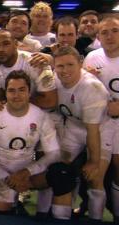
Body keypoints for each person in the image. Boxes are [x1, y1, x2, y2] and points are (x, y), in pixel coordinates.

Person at [0, 70, 71, 219]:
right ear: (5, 93)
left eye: (22, 90)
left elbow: (54, 153)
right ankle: (10, 202)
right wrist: (7, 178)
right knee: (2, 217)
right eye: (11, 91)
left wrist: (27, 172)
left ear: (29, 93)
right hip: (2, 173)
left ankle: (55, 218)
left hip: (29, 174)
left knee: (63, 174)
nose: (17, 95)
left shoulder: (41, 116)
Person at [55, 46, 110, 221]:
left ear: (80, 63)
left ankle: (95, 219)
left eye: (70, 64)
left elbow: (92, 131)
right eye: (60, 66)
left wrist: (94, 161)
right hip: (73, 125)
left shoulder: (91, 87)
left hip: (101, 129)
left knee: (94, 177)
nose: (65, 70)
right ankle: (61, 216)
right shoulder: (53, 79)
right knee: (61, 170)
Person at [83, 16, 119, 222]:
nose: (110, 36)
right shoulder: (92, 58)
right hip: (101, 124)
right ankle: (95, 219)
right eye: (104, 32)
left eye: (114, 30)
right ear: (98, 37)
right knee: (95, 174)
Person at [0, 29, 56, 111]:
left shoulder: (35, 62)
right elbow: (0, 98)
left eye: (6, 44)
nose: (0, 49)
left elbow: (50, 101)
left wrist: (17, 101)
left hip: (43, 112)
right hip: (15, 112)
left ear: (16, 44)